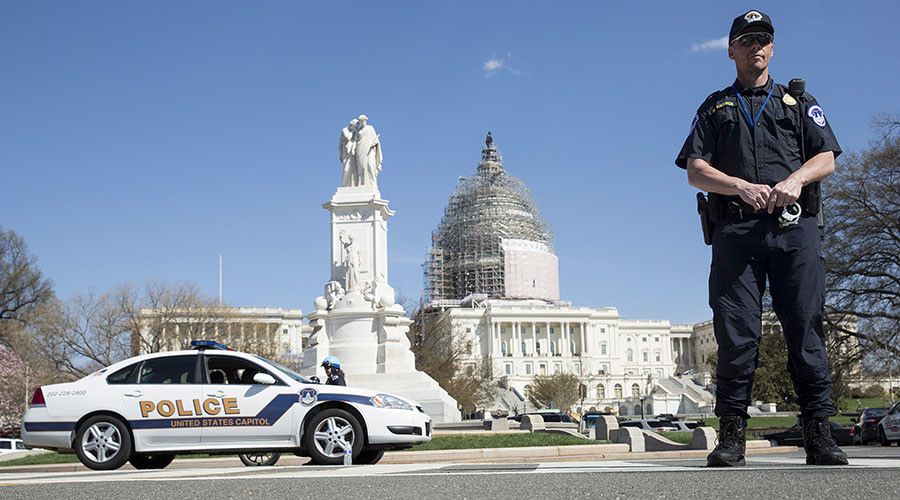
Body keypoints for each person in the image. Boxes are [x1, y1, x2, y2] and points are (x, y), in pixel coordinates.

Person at [675, 10, 847, 466]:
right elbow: (695, 169)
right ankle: (731, 437)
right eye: (747, 39)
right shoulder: (715, 107)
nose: (757, 47)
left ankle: (819, 435)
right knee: (736, 335)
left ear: (772, 47)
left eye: (764, 39)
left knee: (806, 326)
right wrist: (739, 186)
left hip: (794, 228)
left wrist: (795, 180)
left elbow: (827, 156)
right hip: (737, 231)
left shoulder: (798, 103)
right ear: (731, 50)